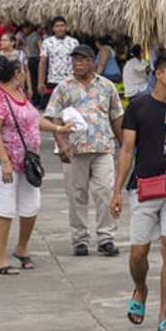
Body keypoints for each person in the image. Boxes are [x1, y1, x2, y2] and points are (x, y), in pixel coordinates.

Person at [111, 51, 166, 331]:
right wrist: (117, 191)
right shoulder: (137, 106)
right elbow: (126, 150)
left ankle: (165, 315)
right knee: (139, 252)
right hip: (144, 186)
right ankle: (140, 288)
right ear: (158, 74)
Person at [0, 54, 77, 275]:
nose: (25, 73)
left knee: (31, 206)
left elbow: (33, 119)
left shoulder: (20, 94)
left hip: (27, 161)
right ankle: (0, 259)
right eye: (23, 70)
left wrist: (58, 129)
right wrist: (5, 161)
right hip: (3, 161)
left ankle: (21, 248)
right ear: (17, 74)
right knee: (5, 208)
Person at [45, 44, 124, 257]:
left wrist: (124, 145)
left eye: (82, 60)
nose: (78, 64)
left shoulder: (106, 86)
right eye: (75, 60)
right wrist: (60, 144)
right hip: (74, 149)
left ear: (92, 62)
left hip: (102, 147)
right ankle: (79, 239)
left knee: (105, 192)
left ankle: (106, 238)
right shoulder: (64, 87)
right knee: (76, 195)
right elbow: (54, 117)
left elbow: (116, 116)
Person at [38, 16, 79, 99]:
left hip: (70, 80)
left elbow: (78, 61)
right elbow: (43, 62)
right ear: (53, 29)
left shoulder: (74, 42)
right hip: (53, 80)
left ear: (66, 27)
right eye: (57, 26)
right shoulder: (47, 42)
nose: (60, 28)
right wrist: (40, 82)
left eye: (62, 26)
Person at [21, 23, 43, 107]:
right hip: (37, 59)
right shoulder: (38, 37)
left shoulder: (29, 37)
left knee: (32, 80)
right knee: (38, 80)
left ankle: (33, 99)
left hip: (30, 59)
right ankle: (38, 100)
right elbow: (41, 49)